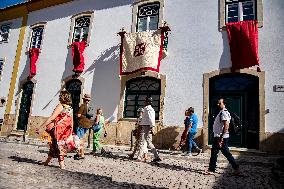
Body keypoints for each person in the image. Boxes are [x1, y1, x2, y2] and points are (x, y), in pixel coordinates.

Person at [40, 90, 80, 169]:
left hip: (59, 130)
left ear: (62, 97)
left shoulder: (61, 106)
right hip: (66, 130)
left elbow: (52, 118)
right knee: (54, 146)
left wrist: (42, 126)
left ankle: (62, 166)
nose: (59, 97)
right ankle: (46, 162)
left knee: (59, 146)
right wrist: (71, 132)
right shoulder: (70, 108)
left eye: (60, 96)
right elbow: (71, 121)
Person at [205, 98, 240, 175]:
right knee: (221, 152)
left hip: (220, 137)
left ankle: (212, 169)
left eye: (219, 103)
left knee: (217, 152)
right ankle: (236, 168)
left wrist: (221, 137)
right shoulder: (221, 112)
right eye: (218, 103)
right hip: (220, 136)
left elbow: (226, 125)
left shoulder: (224, 113)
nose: (218, 104)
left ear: (224, 104)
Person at [137, 97, 161, 162]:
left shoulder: (148, 109)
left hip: (146, 127)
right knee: (147, 142)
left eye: (145, 101)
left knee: (144, 142)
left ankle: (139, 158)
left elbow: (151, 119)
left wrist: (151, 128)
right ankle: (156, 156)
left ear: (148, 102)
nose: (144, 102)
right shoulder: (148, 109)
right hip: (145, 126)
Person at [74, 94, 93, 160]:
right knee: (81, 138)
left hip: (81, 124)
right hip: (87, 124)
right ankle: (81, 153)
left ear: (84, 99)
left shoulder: (83, 105)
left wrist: (75, 114)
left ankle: (81, 153)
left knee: (79, 139)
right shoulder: (90, 106)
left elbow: (79, 115)